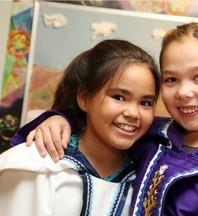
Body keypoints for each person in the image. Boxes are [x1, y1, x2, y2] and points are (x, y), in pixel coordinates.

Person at [10, 22, 198, 215]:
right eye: (171, 79)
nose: (183, 92)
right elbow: (100, 124)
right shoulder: (153, 138)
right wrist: (62, 119)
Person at [0, 39, 161, 215]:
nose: (133, 113)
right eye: (119, 97)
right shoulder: (36, 167)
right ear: (84, 98)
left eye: (145, 102)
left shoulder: (148, 182)